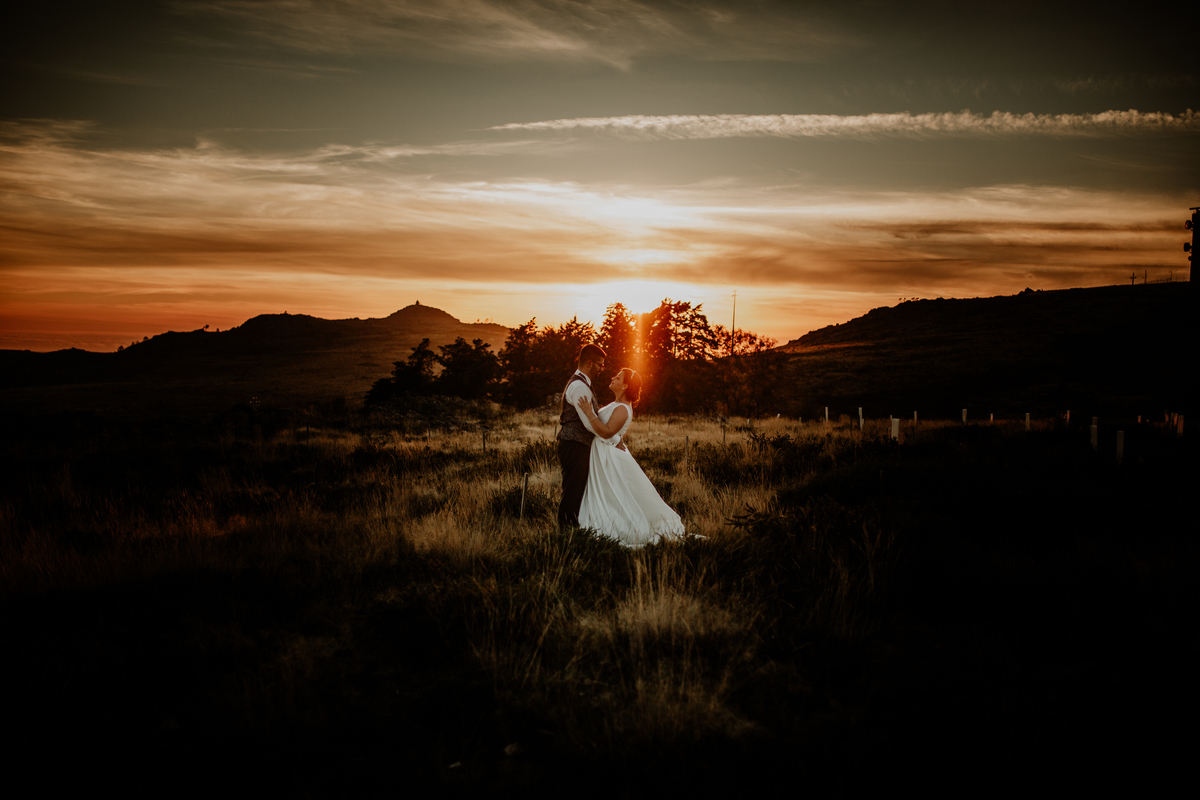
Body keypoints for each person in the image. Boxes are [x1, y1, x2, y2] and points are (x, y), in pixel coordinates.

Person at [574, 368, 686, 547]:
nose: (613, 377)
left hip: (608, 456)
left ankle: (616, 527)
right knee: (609, 493)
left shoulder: (623, 409)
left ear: (625, 386)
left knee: (610, 494)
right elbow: (611, 432)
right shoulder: (616, 404)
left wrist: (588, 412)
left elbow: (606, 432)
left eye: (618, 377)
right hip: (602, 452)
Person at [556, 343, 607, 528]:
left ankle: (572, 530)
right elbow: (588, 423)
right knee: (573, 491)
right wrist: (609, 437)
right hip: (574, 445)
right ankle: (565, 533)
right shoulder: (579, 387)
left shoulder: (583, 384)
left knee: (577, 490)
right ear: (589, 363)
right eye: (600, 364)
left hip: (577, 444)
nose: (602, 368)